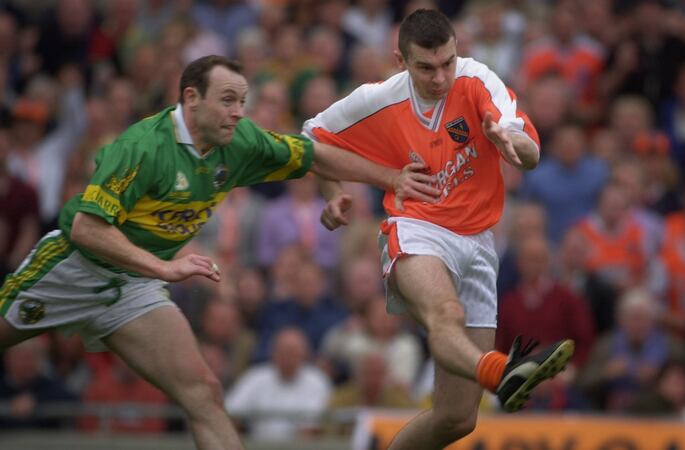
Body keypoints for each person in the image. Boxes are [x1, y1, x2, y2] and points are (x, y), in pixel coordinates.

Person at [0, 55, 437, 450]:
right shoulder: (142, 146)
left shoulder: (238, 141)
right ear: (192, 97)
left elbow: (315, 155)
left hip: (133, 288)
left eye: (243, 101)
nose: (238, 112)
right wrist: (163, 267)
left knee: (204, 392)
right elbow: (87, 228)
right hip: (73, 270)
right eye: (228, 100)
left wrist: (391, 179)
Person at [304, 10, 574, 448]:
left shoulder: (477, 80)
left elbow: (529, 153)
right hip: (416, 227)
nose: (440, 76)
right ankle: (502, 372)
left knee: (456, 418)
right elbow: (312, 140)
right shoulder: (379, 99)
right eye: (426, 68)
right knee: (445, 315)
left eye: (447, 62)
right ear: (400, 61)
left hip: (480, 242)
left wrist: (512, 144)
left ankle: (495, 373)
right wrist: (337, 190)